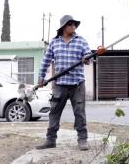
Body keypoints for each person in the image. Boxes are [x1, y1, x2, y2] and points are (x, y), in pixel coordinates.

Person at [36, 15, 91, 151]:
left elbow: (88, 55)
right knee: (54, 112)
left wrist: (86, 58)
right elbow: (45, 61)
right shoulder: (54, 43)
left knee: (79, 112)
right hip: (59, 84)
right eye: (70, 24)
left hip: (77, 84)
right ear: (63, 27)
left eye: (74, 24)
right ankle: (50, 140)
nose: (73, 26)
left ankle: (82, 140)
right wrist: (41, 78)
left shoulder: (81, 41)